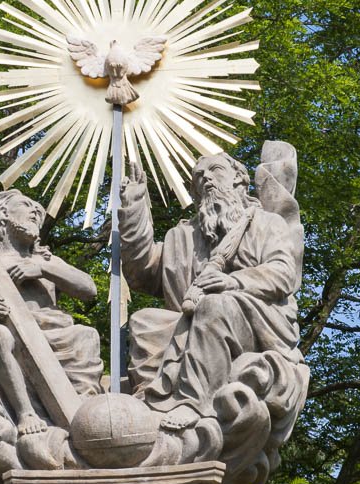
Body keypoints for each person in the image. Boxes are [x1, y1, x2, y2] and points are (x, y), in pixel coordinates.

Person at [119, 152, 305, 430]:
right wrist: (133, 206)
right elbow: (140, 271)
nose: (205, 177)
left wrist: (234, 282)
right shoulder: (182, 236)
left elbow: (283, 272)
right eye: (198, 175)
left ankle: (194, 402)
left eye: (214, 169)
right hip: (189, 319)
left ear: (238, 178)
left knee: (214, 305)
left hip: (253, 320)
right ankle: (150, 402)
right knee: (145, 321)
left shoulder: (267, 223)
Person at [0, 189, 103, 435]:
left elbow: (89, 289)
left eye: (38, 210)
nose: (35, 212)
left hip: (56, 335)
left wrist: (42, 268)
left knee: (86, 334)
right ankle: (25, 414)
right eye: (26, 205)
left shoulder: (46, 260)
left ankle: (84, 407)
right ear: (3, 215)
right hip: (10, 337)